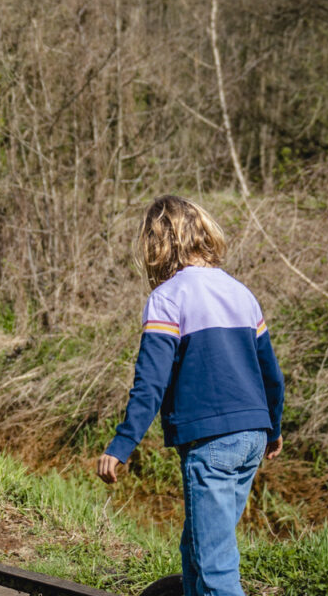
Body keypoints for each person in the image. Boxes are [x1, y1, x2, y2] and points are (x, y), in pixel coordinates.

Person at [95, 195, 286, 596]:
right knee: (198, 545)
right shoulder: (241, 293)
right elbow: (272, 374)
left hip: (212, 443)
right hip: (252, 434)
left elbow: (151, 382)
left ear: (157, 243)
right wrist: (274, 427)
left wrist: (122, 443)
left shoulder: (168, 298)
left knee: (216, 567)